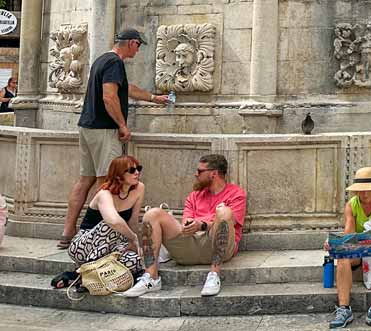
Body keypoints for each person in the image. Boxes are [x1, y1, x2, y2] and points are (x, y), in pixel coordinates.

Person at [58, 29, 170, 249]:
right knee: (105, 184)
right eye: (139, 45)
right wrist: (122, 125)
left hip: (87, 127)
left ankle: (67, 232)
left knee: (84, 180)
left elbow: (126, 90)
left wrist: (154, 98)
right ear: (131, 43)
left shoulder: (102, 60)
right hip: (104, 129)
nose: (138, 50)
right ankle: (97, 236)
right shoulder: (114, 63)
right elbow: (109, 96)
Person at [122, 154, 246, 298]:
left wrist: (202, 225)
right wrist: (189, 225)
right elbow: (185, 222)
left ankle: (214, 274)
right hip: (188, 247)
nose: (195, 174)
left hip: (217, 247)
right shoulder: (194, 195)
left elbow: (231, 223)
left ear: (213, 174)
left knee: (224, 212)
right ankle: (151, 277)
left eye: (200, 171)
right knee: (152, 214)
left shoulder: (236, 193)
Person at [50, 155, 145, 289]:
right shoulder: (104, 194)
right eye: (131, 170)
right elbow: (113, 221)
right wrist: (133, 237)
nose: (137, 172)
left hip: (112, 245)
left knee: (134, 260)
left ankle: (79, 277)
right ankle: (88, 275)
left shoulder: (139, 188)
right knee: (110, 225)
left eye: (138, 168)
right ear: (118, 176)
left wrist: (136, 246)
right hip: (83, 246)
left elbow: (133, 221)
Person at [328, 167, 371, 329]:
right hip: (360, 246)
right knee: (342, 255)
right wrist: (335, 244)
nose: (364, 194)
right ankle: (344, 308)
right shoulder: (352, 204)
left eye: (368, 191)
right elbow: (348, 235)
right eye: (360, 191)